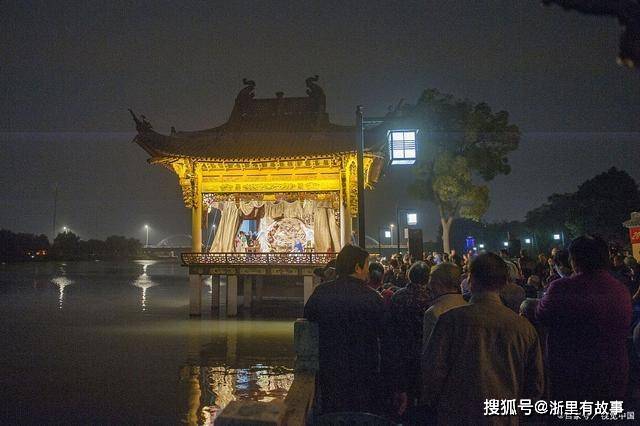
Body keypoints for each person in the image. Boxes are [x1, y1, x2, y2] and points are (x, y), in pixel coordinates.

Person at [421, 253, 544, 424]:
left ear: (470, 280)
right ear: (504, 283)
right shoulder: (524, 328)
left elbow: (432, 372)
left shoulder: (450, 321)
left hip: (457, 416)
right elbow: (535, 386)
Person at [536, 235, 632, 401]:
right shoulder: (620, 290)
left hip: (572, 376)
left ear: (573, 260)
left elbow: (541, 315)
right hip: (613, 374)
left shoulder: (561, 288)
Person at [303, 244, 384, 414]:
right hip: (364, 368)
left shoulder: (322, 292)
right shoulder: (373, 298)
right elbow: (387, 338)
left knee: (333, 412)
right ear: (357, 267)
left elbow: (308, 315)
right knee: (361, 412)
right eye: (367, 266)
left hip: (331, 367)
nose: (368, 271)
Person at [383, 261, 431, 419]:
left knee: (404, 402)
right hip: (426, 354)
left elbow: (391, 328)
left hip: (402, 354)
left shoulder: (399, 297)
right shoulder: (431, 297)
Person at [422, 262, 465, 345]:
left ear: (438, 284)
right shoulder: (468, 305)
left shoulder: (433, 313)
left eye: (431, 283)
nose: (429, 287)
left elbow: (431, 349)